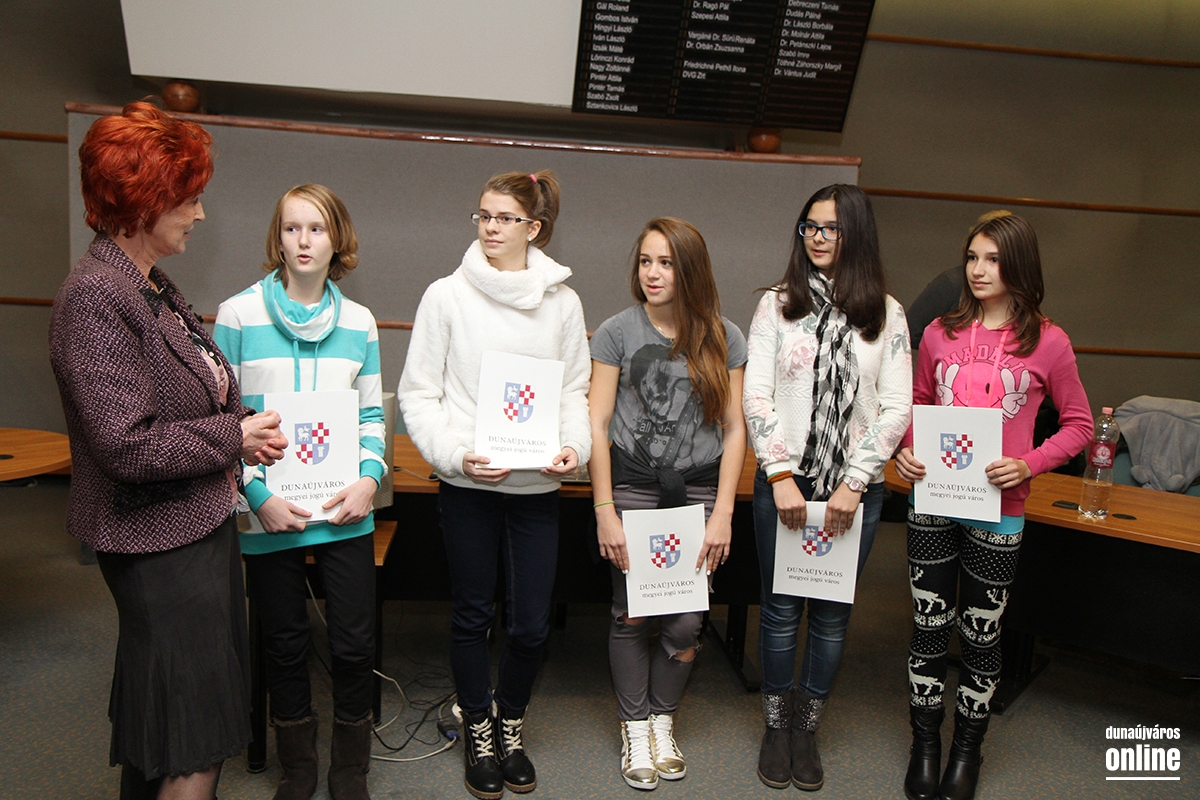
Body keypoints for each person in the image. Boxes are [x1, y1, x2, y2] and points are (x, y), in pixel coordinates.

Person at [48, 101, 287, 800]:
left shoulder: (147, 283)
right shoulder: (95, 297)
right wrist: (233, 437)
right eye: (188, 199)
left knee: (169, 734)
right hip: (157, 546)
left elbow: (189, 391)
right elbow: (126, 445)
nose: (200, 214)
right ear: (144, 201)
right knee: (193, 742)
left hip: (192, 529)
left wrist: (240, 422)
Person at [399, 170, 591, 799]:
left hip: (536, 490)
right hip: (469, 486)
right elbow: (418, 394)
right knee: (472, 615)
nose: (490, 227)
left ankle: (511, 724)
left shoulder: (563, 303)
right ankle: (478, 729)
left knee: (531, 625)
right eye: (483, 215)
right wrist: (455, 455)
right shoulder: (445, 296)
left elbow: (573, 392)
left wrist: (574, 448)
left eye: (504, 218)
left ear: (534, 228)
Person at [894, 214, 1092, 800]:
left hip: (1000, 509)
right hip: (933, 501)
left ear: (1019, 266)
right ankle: (925, 744)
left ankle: (966, 750)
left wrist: (1029, 463)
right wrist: (906, 451)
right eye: (972, 257)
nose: (978, 270)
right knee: (929, 626)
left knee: (981, 636)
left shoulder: (1049, 341)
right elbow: (915, 402)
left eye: (993, 260)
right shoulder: (939, 332)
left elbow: (1080, 425)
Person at [213, 185, 385, 800]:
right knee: (284, 643)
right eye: (291, 228)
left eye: (317, 228)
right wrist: (256, 496)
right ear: (277, 238)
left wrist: (370, 479)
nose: (304, 241)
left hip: (344, 511)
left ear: (337, 239)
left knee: (354, 643)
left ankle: (350, 768)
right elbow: (221, 422)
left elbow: (371, 417)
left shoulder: (360, 323)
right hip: (268, 509)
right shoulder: (237, 315)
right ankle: (299, 768)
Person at [743, 184, 912, 791]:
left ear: (856, 234)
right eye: (809, 226)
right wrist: (780, 475)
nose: (817, 237)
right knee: (780, 610)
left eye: (831, 228)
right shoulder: (776, 305)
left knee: (833, 616)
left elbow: (895, 407)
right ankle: (776, 726)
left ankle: (806, 728)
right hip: (784, 486)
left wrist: (854, 483)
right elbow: (756, 395)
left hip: (853, 495)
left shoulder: (886, 314)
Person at [587, 218, 747, 791]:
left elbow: (734, 429)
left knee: (684, 620)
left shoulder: (725, 336)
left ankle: (662, 721)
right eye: (645, 261)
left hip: (698, 493)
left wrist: (724, 512)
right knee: (630, 612)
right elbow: (597, 423)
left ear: (690, 271)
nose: (652, 273)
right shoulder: (616, 332)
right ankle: (635, 727)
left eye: (666, 263)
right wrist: (604, 509)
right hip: (633, 485)